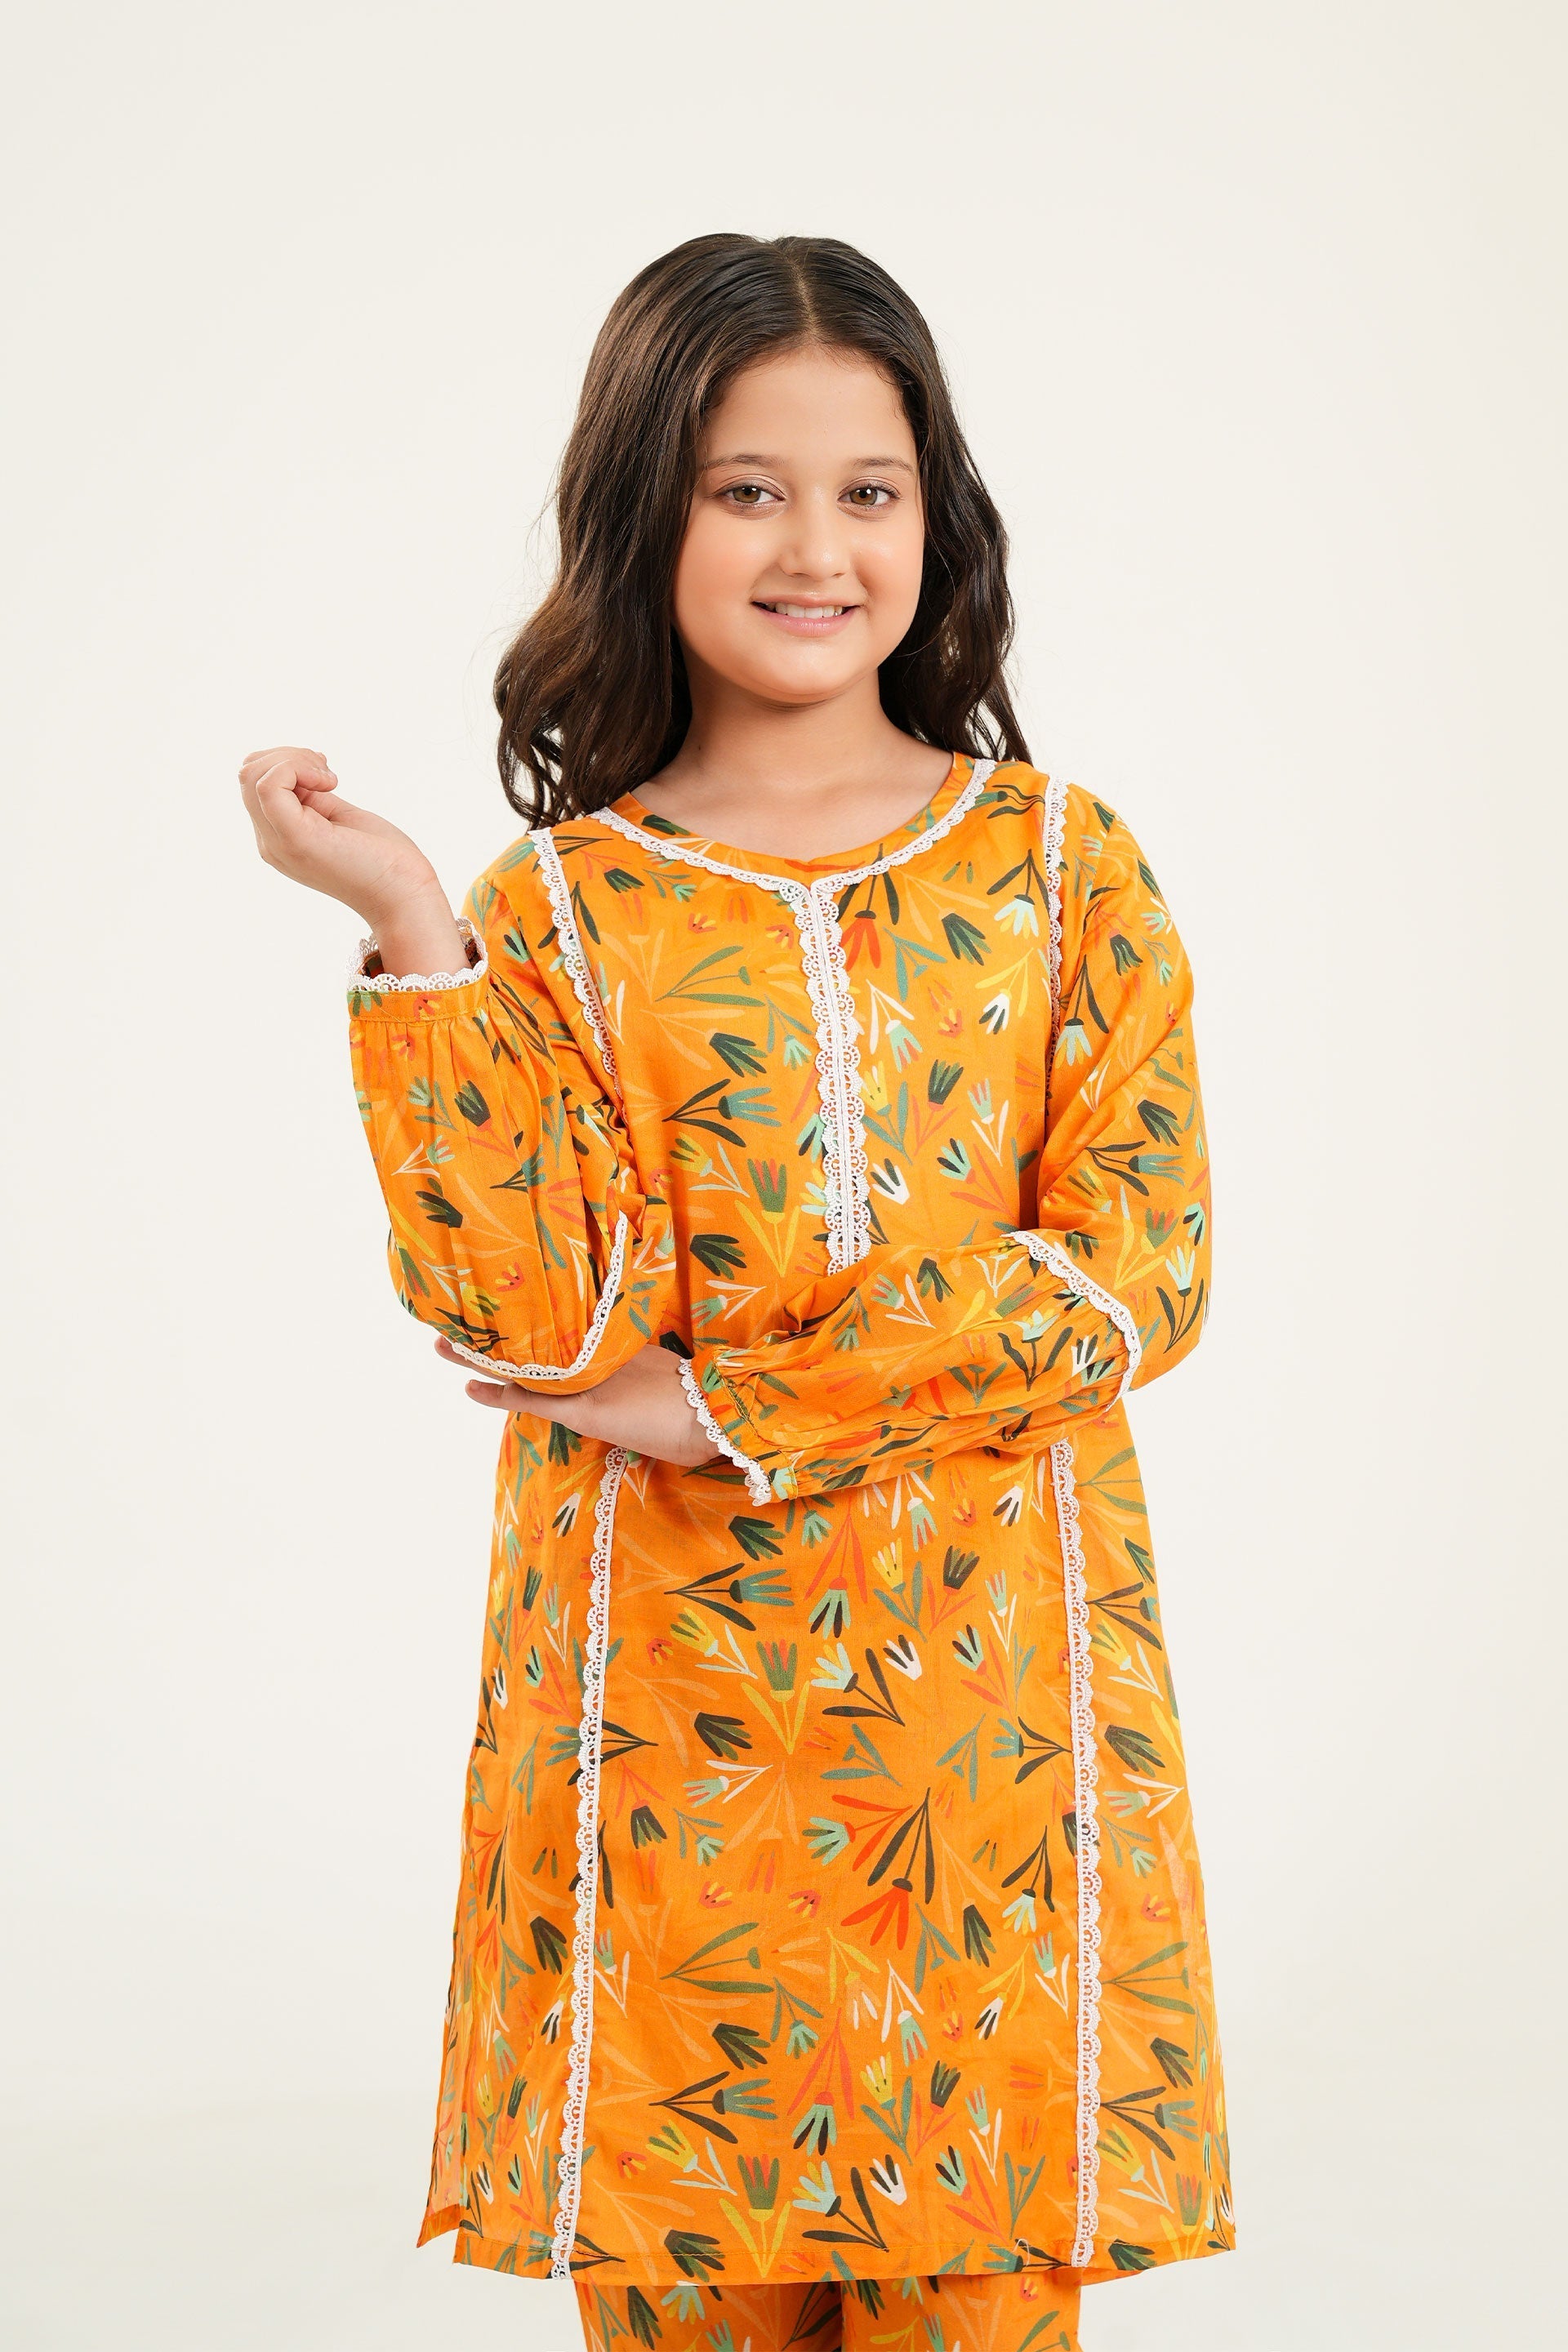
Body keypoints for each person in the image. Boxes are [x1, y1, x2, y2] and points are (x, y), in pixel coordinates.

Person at [239, 233, 1232, 2352]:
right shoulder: (554, 912)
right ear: (646, 515)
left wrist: (735, 1405)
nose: (815, 548)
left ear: (936, 519)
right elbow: (527, 1317)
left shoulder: (1061, 869)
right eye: (746, 489)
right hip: (666, 1751)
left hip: (991, 1761)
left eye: (869, 490)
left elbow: (1135, 1272)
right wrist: (409, 924)